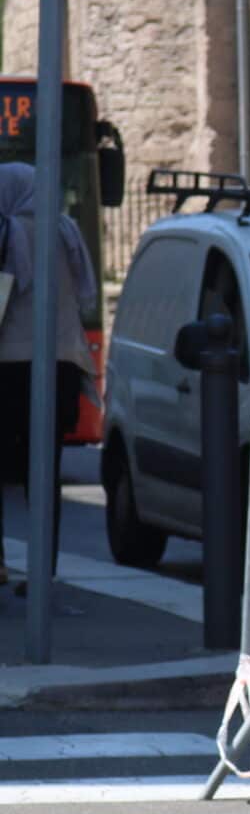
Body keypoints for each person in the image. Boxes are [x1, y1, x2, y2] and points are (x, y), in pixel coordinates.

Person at [0, 162, 95, 589]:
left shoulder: (7, 231)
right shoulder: (65, 230)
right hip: (62, 364)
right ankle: (44, 571)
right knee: (46, 473)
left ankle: (0, 563)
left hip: (9, 367)